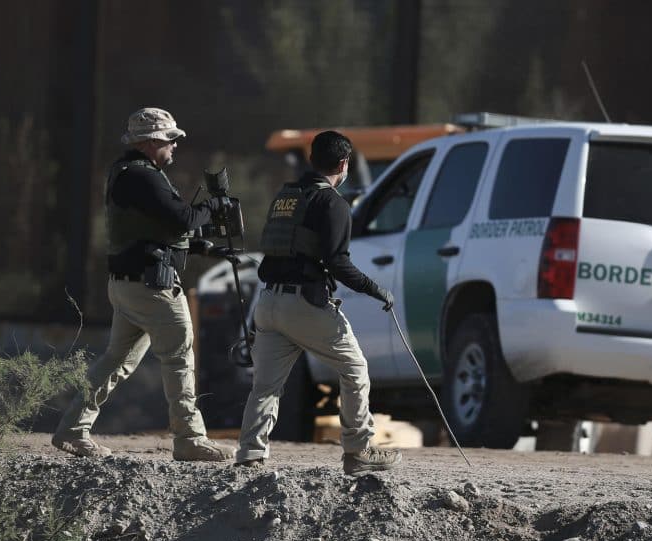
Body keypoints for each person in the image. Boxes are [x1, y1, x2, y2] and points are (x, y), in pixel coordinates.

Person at [52, 107, 234, 461]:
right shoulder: (143, 176)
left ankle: (73, 430)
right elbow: (183, 219)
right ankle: (190, 439)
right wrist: (214, 206)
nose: (175, 147)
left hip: (129, 285)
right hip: (153, 287)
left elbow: (153, 229)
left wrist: (199, 246)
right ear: (152, 142)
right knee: (179, 358)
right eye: (170, 140)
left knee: (116, 360)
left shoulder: (127, 172)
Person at [235, 130, 402, 475]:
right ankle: (358, 451)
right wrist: (377, 291)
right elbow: (338, 263)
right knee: (355, 370)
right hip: (305, 305)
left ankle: (250, 453)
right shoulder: (333, 203)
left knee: (265, 386)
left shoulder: (286, 197)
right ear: (343, 165)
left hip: (268, 303)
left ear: (312, 160)